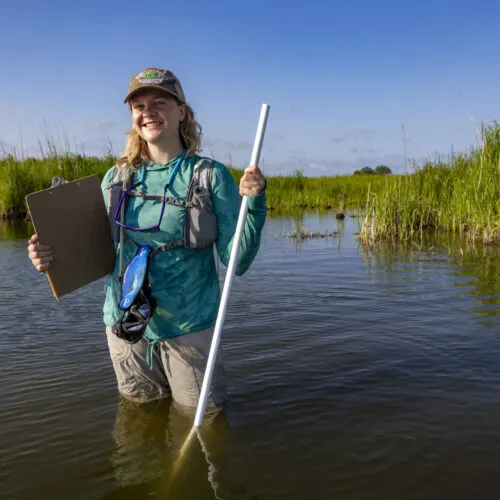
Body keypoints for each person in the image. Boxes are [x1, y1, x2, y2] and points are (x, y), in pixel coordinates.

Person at [27, 67, 267, 414]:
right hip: (125, 329)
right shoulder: (116, 176)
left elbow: (238, 262)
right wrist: (48, 257)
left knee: (206, 428)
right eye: (138, 106)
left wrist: (255, 203)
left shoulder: (210, 176)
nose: (147, 112)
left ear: (181, 111)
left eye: (159, 102)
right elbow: (88, 252)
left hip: (190, 331)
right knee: (139, 424)